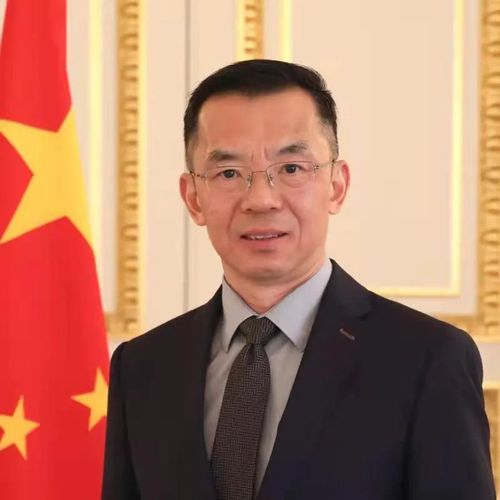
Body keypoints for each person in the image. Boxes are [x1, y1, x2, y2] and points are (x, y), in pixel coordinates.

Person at [102, 59, 496, 500]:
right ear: (193, 197)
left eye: (291, 168)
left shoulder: (426, 359)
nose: (261, 199)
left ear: (337, 186)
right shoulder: (143, 368)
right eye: (229, 173)